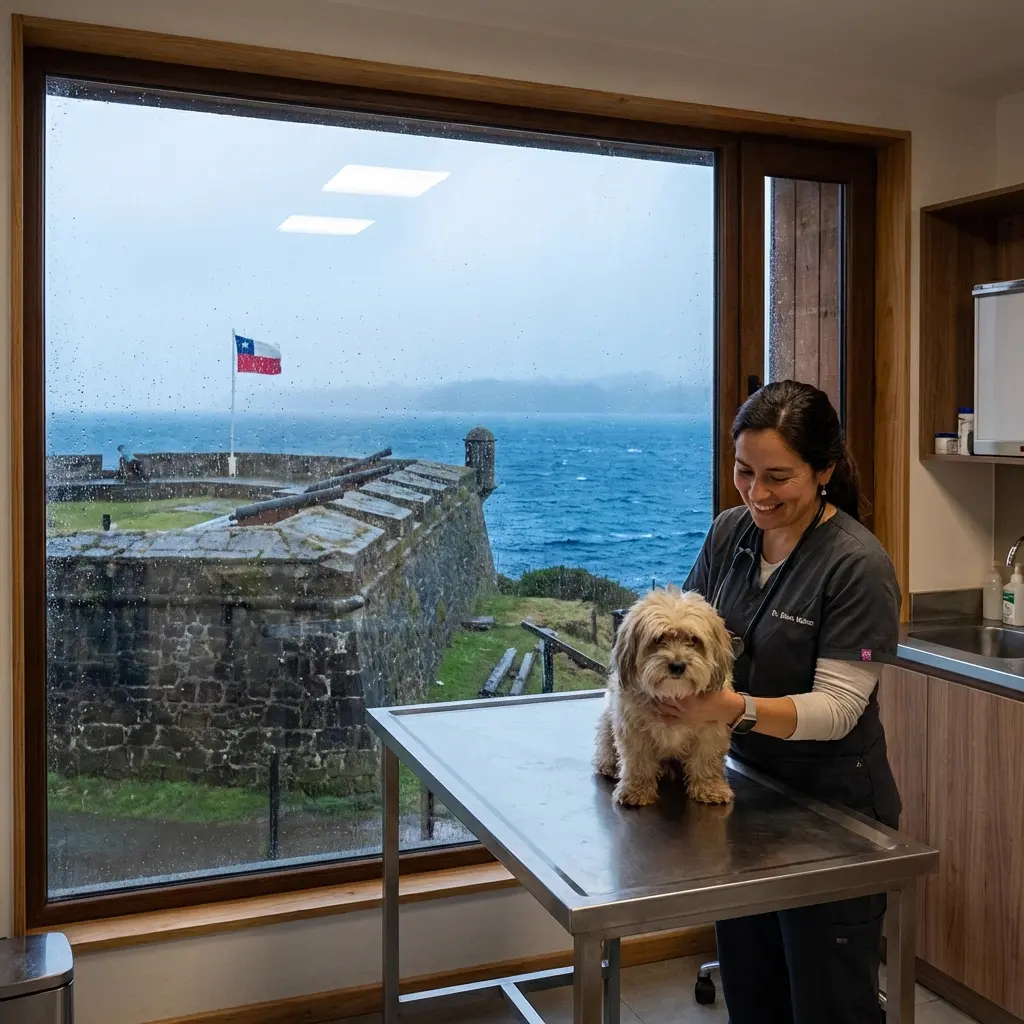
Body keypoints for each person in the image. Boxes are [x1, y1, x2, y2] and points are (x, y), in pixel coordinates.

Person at [660, 379, 901, 1024]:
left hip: (833, 812)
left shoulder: (857, 565)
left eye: (778, 476)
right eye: (744, 472)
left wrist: (731, 708)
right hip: (746, 803)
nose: (757, 494)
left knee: (828, 1004)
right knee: (753, 992)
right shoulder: (729, 535)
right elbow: (684, 626)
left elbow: (839, 707)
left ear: (824, 471)